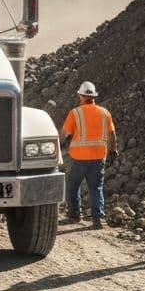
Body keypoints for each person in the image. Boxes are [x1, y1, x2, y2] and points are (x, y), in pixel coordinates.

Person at [59, 81, 117, 228]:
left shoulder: (75, 113)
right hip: (99, 157)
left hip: (80, 158)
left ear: (81, 96)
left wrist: (57, 145)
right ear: (93, 97)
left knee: (73, 186)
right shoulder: (105, 113)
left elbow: (64, 134)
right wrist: (113, 150)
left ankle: (74, 215)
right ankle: (98, 219)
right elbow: (112, 134)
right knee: (96, 188)